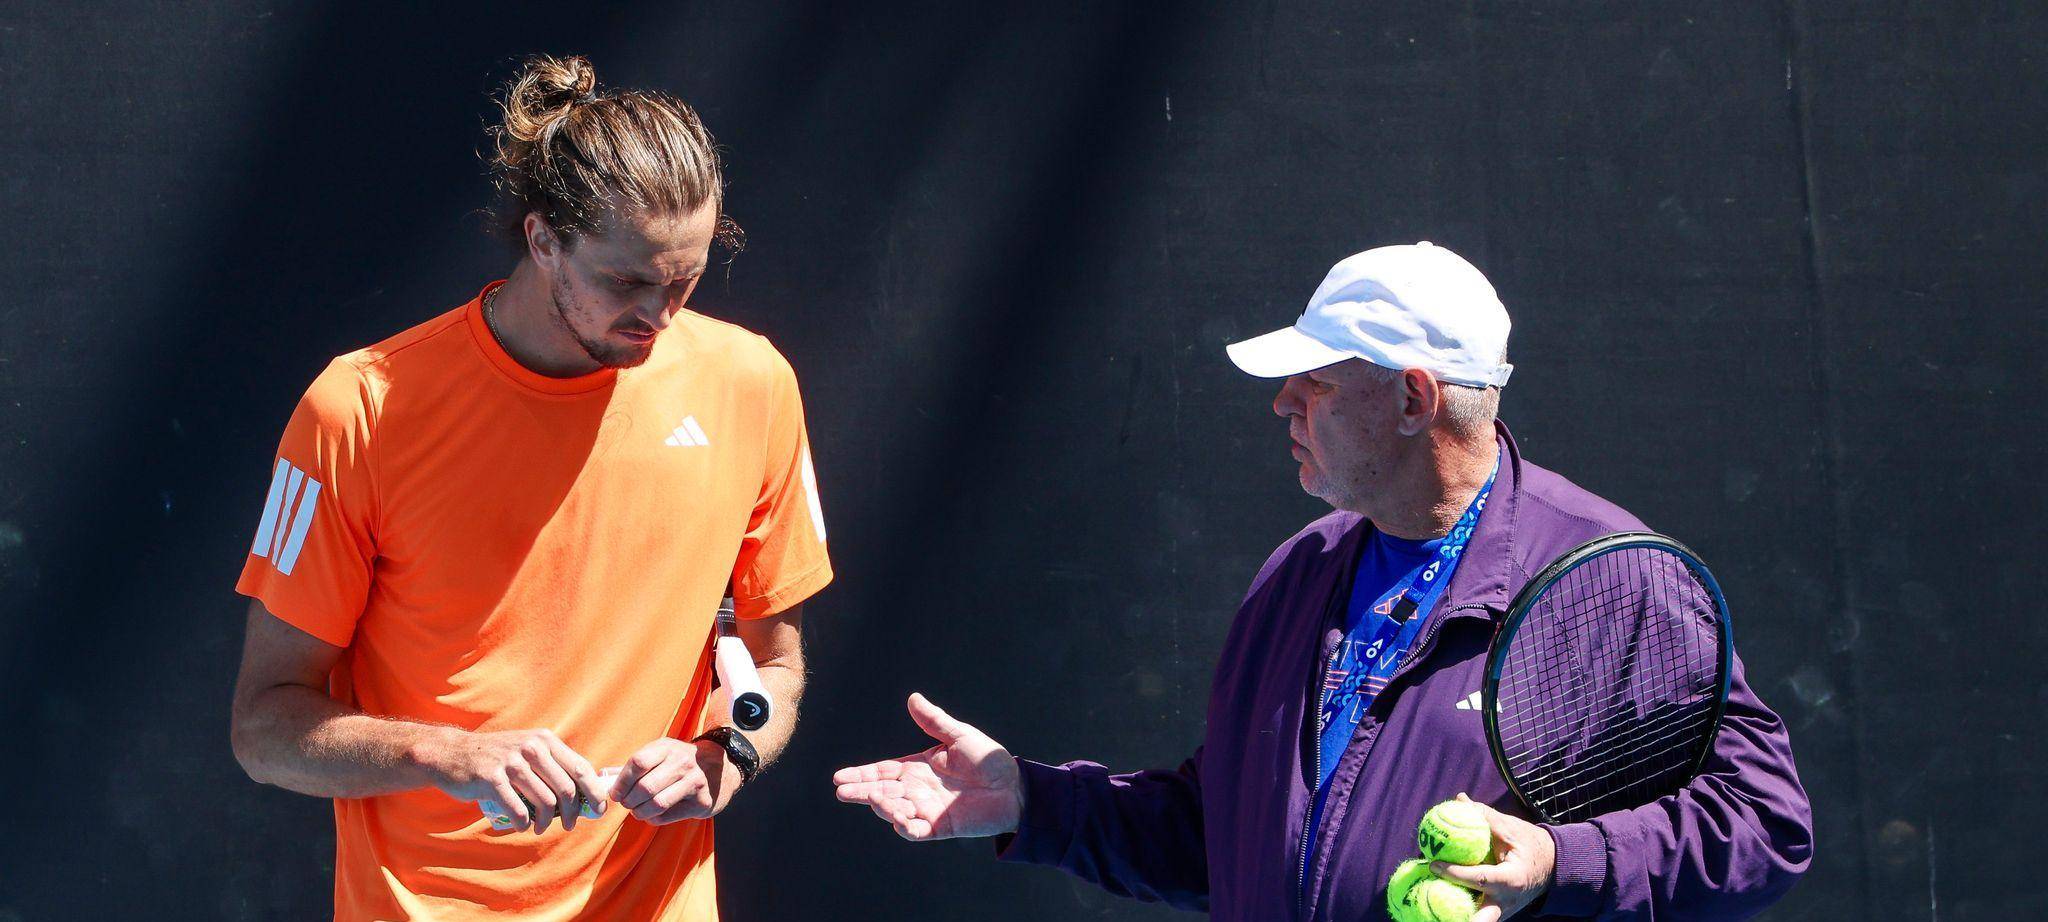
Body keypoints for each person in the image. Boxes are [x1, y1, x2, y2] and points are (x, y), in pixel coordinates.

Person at [833, 242, 1812, 921]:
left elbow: (1762, 827)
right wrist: (1032, 801)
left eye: (1315, 382)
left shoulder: (1614, 585)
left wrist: (1561, 861)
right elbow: (1227, 840)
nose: (1281, 402)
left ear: (1411, 397)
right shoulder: (1298, 572)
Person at [230, 55, 831, 921]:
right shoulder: (355, 410)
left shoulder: (754, 384)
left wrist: (724, 756)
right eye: (626, 282)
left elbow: (775, 666)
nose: (660, 317)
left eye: (686, 280)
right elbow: (263, 731)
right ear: (544, 239)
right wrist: (448, 755)